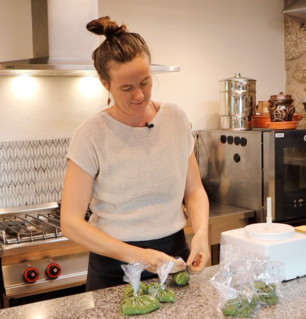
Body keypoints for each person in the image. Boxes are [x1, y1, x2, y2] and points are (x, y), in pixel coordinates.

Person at [61, 16, 210, 292]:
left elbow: (194, 189)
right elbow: (70, 223)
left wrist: (201, 231)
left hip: (175, 262)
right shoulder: (91, 135)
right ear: (106, 84)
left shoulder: (176, 119)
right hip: (115, 272)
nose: (139, 95)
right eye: (127, 88)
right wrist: (140, 257)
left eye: (145, 82)